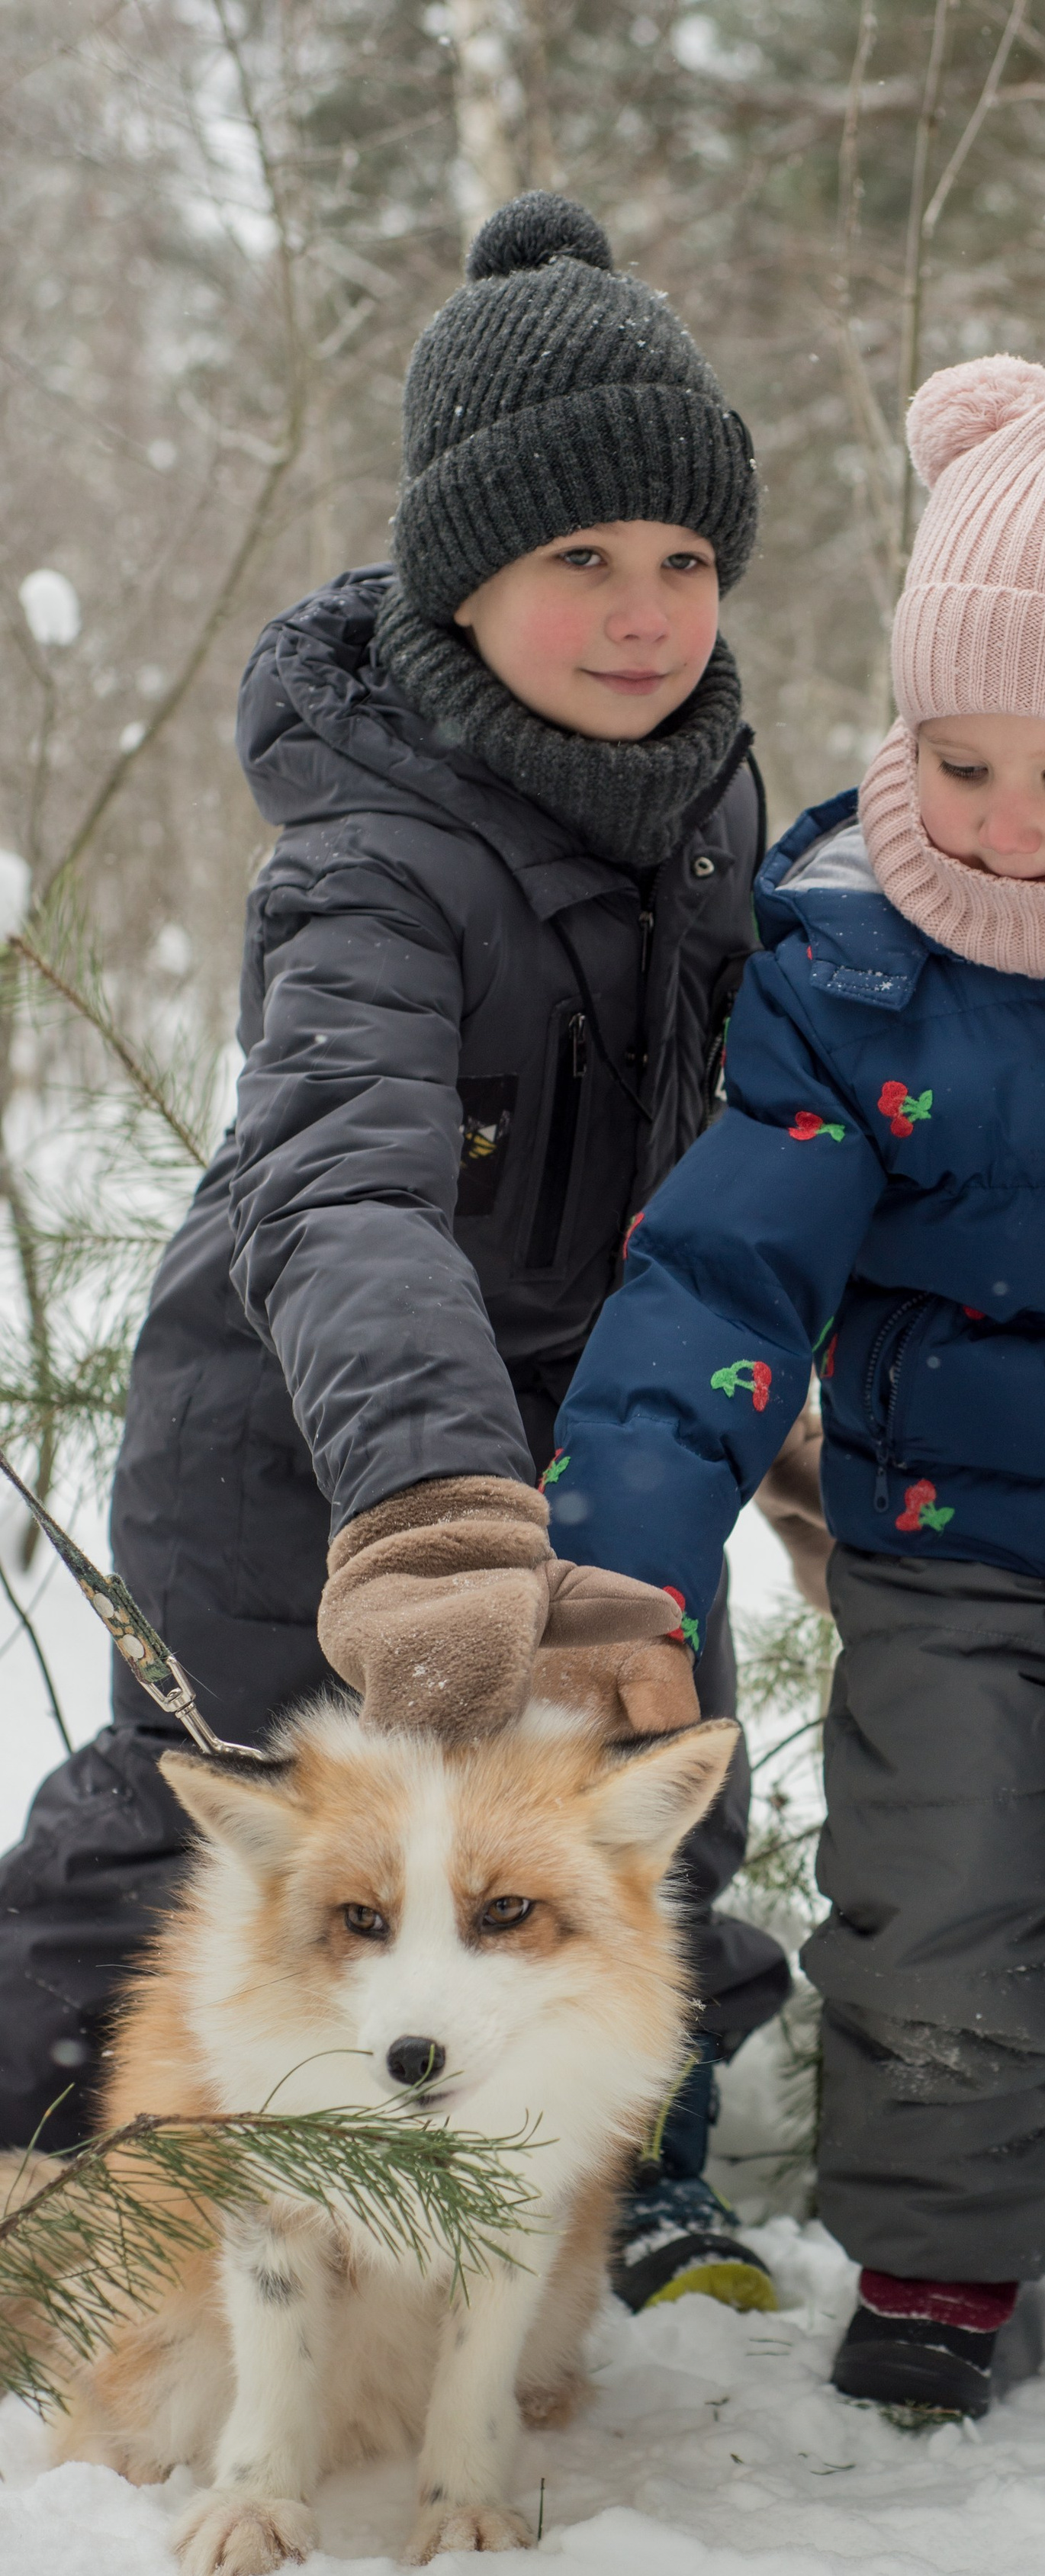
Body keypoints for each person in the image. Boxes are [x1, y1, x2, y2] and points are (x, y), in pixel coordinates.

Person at [0, 191, 790, 2317]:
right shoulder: (372, 857)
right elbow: (339, 1190)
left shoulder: (711, 802)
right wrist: (433, 1505)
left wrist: (787, 1409)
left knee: (639, 1797)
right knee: (224, 1806)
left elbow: (761, 1141)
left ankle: (613, 2160)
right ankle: (54, 2158)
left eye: (685, 561)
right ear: (464, 571)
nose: (643, 615)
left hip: (596, 1420)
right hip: (305, 1428)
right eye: (580, 562)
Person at [542, 351, 1045, 2417]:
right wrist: (622, 1538)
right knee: (947, 1893)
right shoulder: (852, 957)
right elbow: (726, 1261)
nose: (1008, 822)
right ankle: (950, 2248)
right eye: (962, 758)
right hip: (953, 1535)